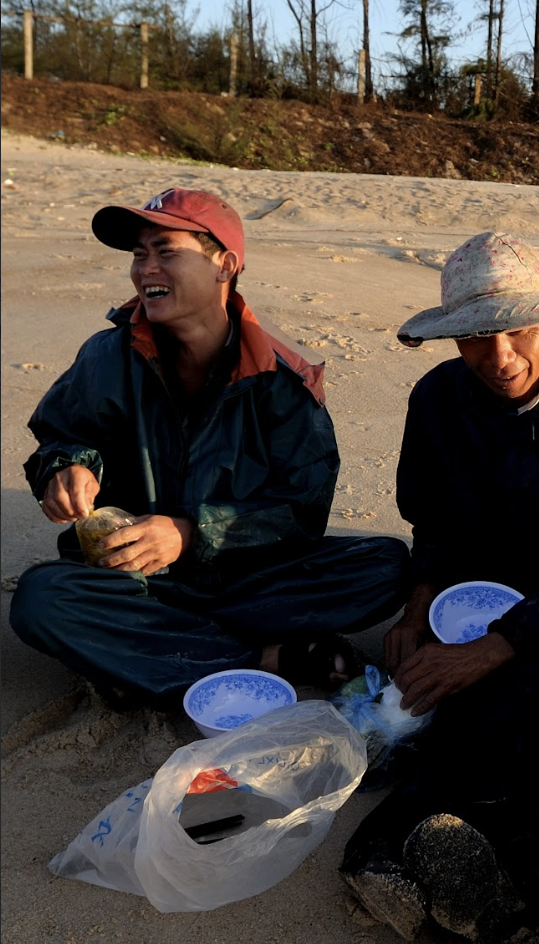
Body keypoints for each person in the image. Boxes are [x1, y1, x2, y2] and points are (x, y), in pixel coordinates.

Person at [341, 232, 539, 944]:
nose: (501, 355)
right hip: (468, 592)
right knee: (434, 695)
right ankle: (469, 867)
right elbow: (433, 526)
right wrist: (419, 607)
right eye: (478, 336)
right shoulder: (437, 401)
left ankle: (388, 849)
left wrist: (493, 649)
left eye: (519, 329)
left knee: (538, 710)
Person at [11, 187, 408, 704]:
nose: (145, 269)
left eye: (166, 252)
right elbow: (60, 437)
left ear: (224, 265)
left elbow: (301, 512)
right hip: (138, 581)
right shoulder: (108, 356)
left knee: (385, 566)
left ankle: (147, 654)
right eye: (139, 254)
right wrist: (64, 470)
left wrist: (191, 532)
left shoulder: (280, 381)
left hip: (248, 580)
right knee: (42, 601)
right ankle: (270, 659)